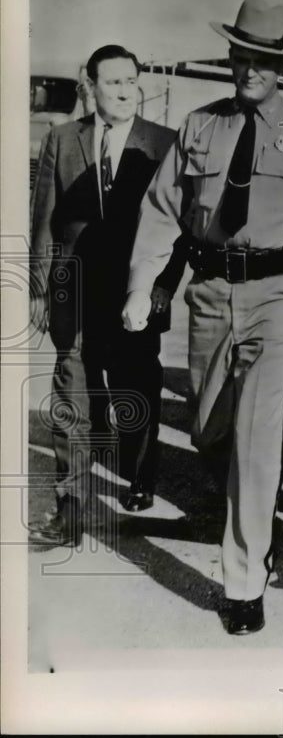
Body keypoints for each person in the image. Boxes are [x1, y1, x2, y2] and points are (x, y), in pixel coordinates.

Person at [122, 0, 283, 635]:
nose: (251, 67)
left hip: (280, 296)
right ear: (230, 57)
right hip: (208, 292)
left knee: (254, 443)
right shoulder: (199, 126)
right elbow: (160, 213)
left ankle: (244, 580)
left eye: (264, 58)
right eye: (242, 55)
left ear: (279, 65)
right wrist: (142, 286)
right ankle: (256, 461)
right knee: (208, 426)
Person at [28, 45, 187, 548]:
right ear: (90, 86)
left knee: (134, 389)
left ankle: (140, 474)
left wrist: (163, 287)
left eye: (130, 80)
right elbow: (45, 218)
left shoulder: (164, 142)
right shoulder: (61, 139)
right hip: (73, 291)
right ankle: (70, 506)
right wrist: (38, 287)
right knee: (72, 395)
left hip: (135, 294)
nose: (123, 90)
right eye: (112, 81)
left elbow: (180, 226)